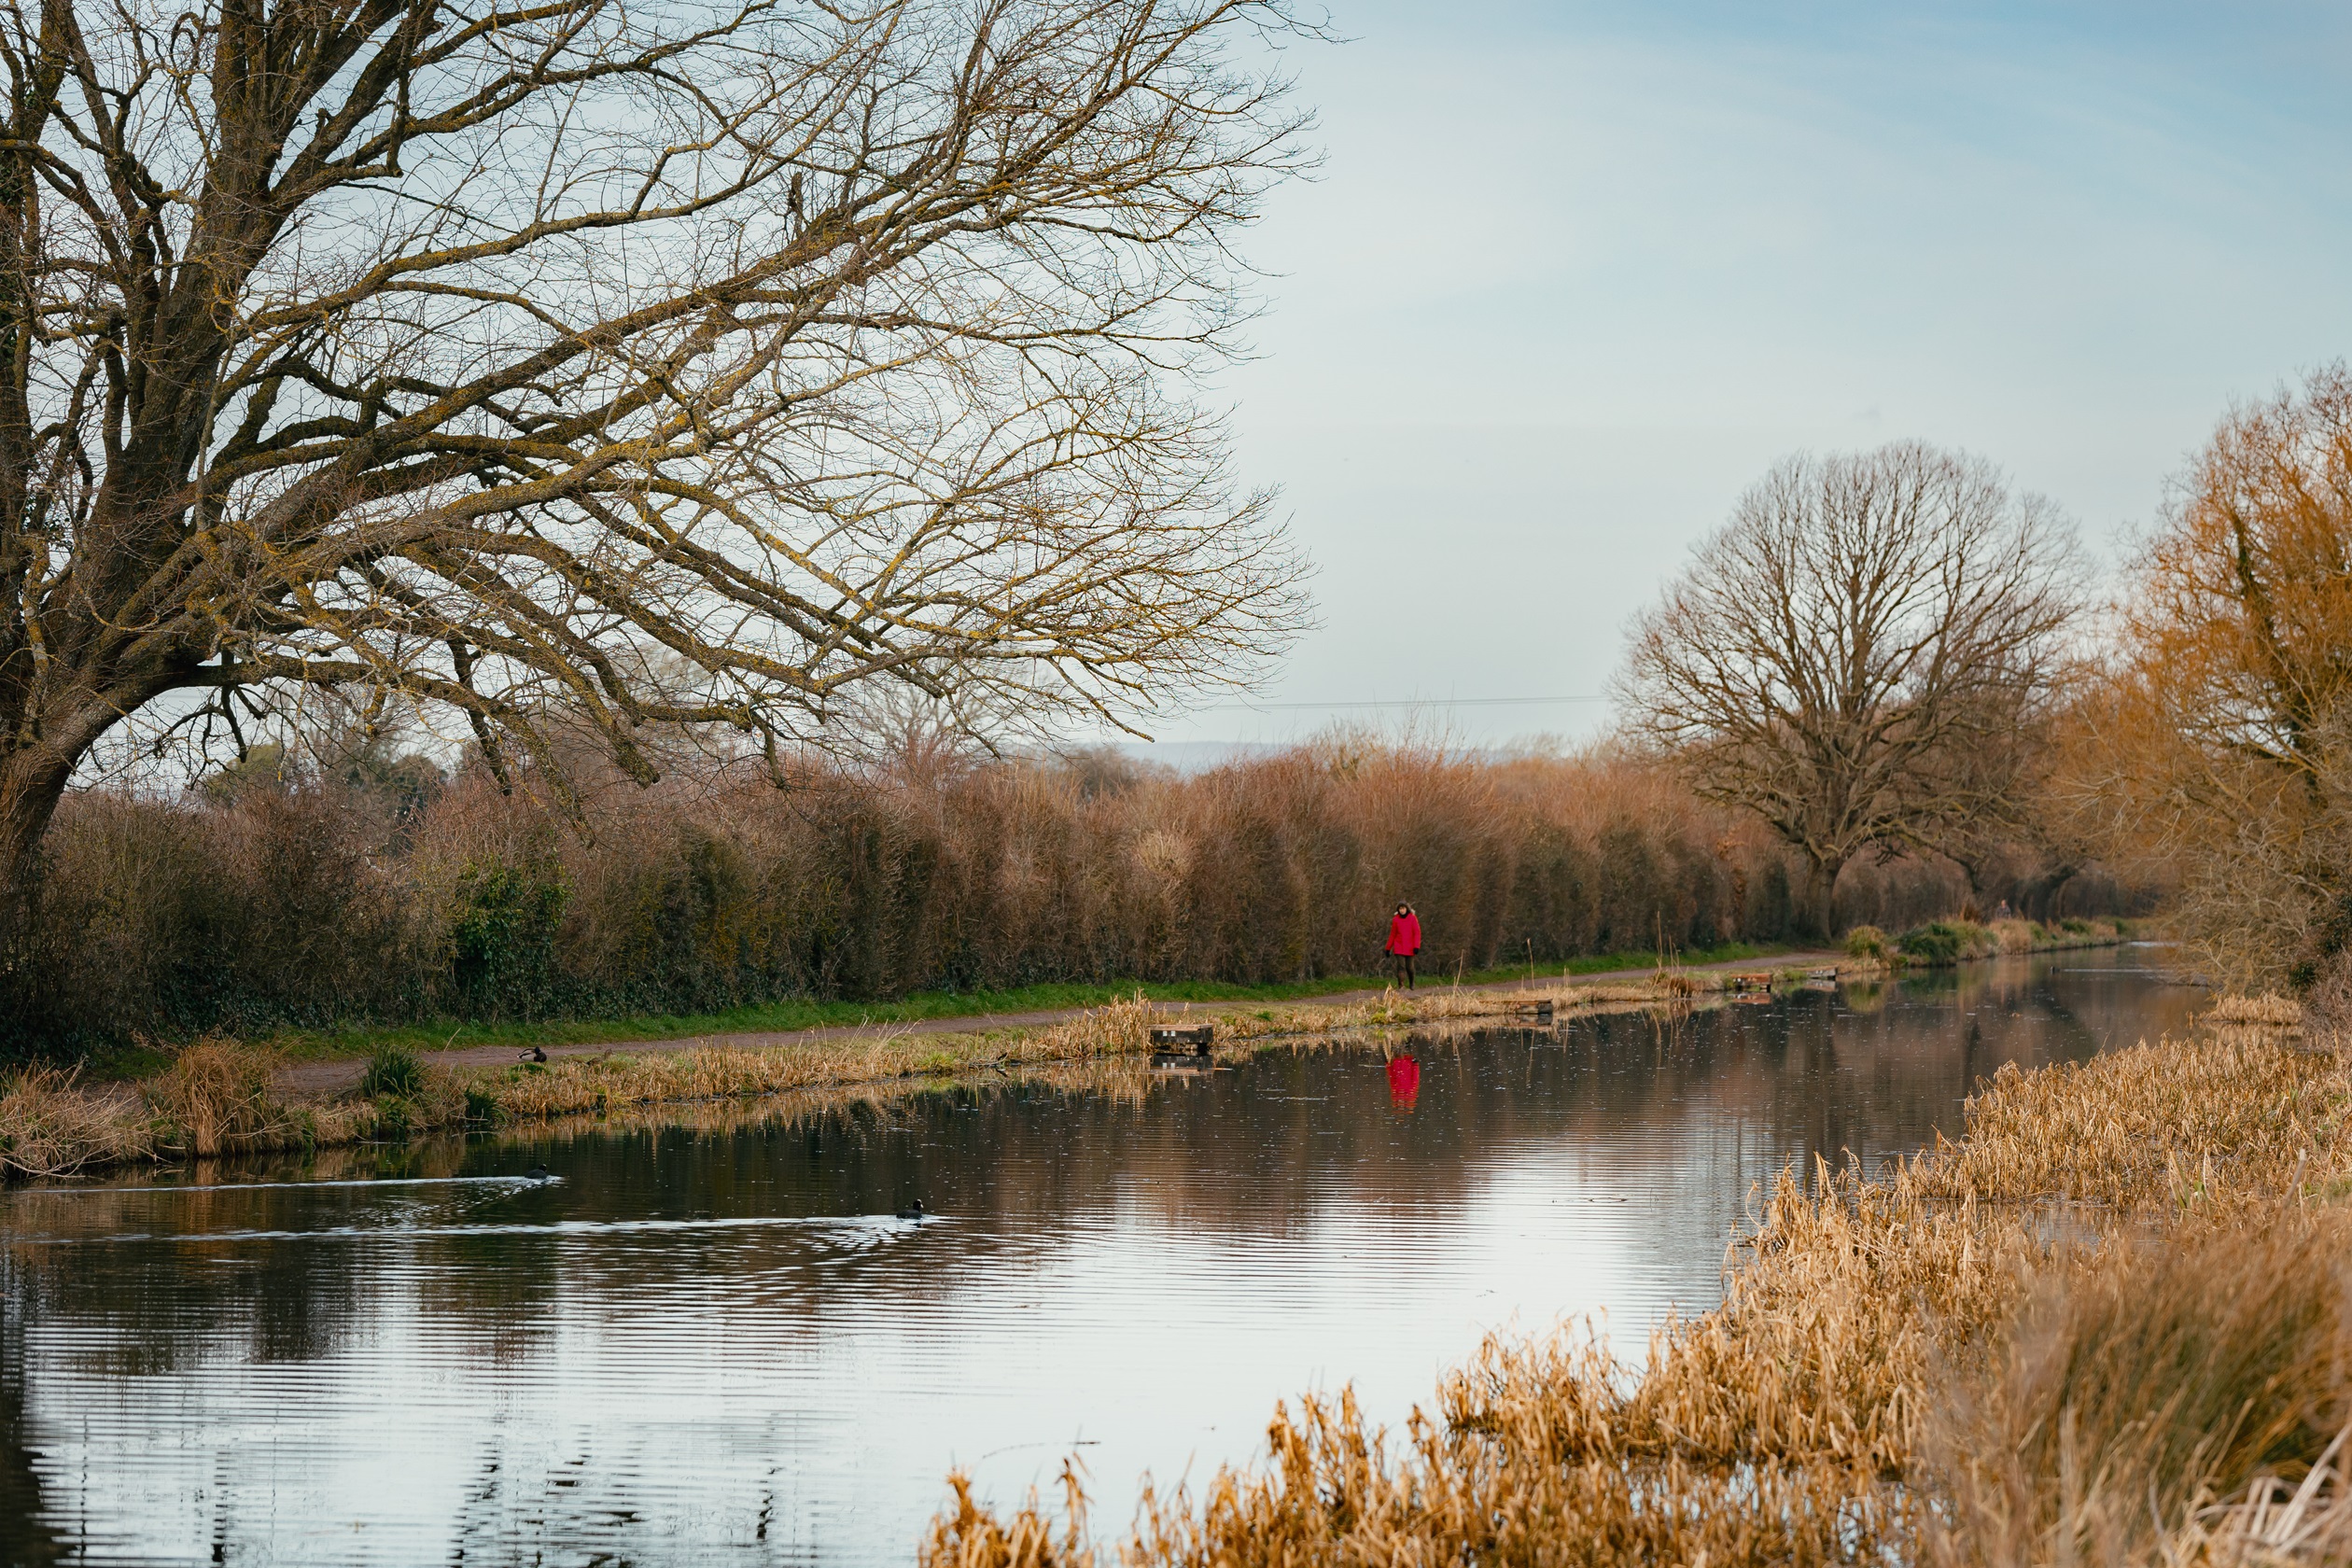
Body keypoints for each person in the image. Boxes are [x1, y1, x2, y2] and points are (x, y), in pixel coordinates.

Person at [1386, 903, 1422, 989]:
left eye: (1403, 908)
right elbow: (1392, 934)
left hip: (1410, 947)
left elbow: (1417, 933)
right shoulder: (1396, 920)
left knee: (1409, 967)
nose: (1402, 910)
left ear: (1407, 909)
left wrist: (1416, 946)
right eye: (1400, 909)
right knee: (1401, 967)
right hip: (1399, 946)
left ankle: (1411, 982)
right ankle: (1401, 985)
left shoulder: (1413, 918)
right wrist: (1388, 948)